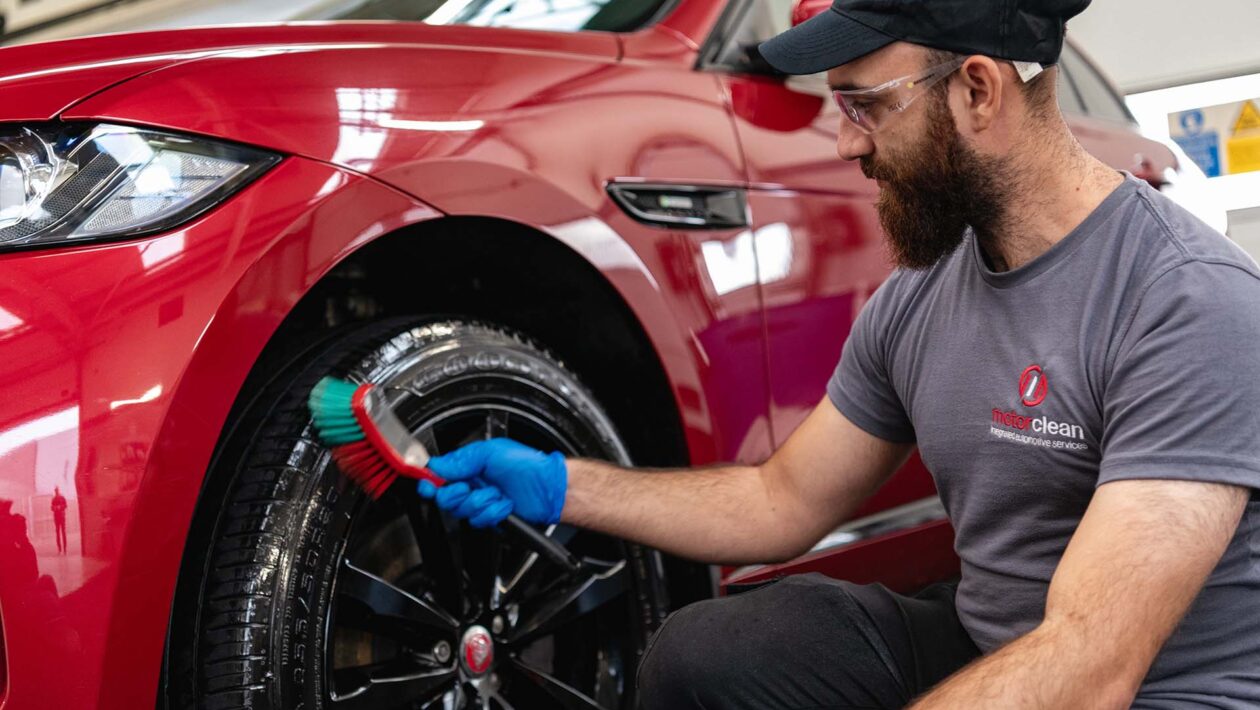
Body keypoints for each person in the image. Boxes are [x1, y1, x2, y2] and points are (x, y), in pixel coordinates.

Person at [417, 0, 1260, 706]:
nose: (847, 144)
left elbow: (1093, 667)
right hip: (994, 644)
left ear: (976, 90)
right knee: (708, 652)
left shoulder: (1187, 300)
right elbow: (780, 501)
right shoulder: (921, 297)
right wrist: (559, 483)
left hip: (1156, 688)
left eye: (866, 104)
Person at [51, 486, 68, 554]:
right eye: (55, 491)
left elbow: (66, 505)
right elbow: (51, 507)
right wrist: (55, 508)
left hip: (62, 516)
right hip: (57, 517)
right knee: (58, 533)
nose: (56, 492)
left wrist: (60, 507)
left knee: (63, 532)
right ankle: (59, 548)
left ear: (58, 490)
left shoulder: (62, 498)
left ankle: (64, 548)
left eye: (57, 490)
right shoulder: (54, 499)